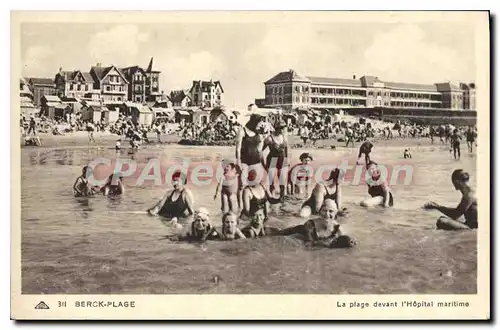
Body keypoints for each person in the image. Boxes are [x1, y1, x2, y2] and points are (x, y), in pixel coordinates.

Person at [280, 199, 356, 248]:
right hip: (295, 231)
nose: (327, 214)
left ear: (335, 214)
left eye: (331, 211)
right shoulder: (310, 225)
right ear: (319, 212)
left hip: (319, 241)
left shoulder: (338, 230)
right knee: (278, 233)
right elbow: (308, 246)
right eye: (324, 210)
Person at [262, 120, 288, 200]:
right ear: (277, 128)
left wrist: (286, 159)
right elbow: (261, 150)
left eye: (284, 128)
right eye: (281, 128)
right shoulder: (269, 138)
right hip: (272, 159)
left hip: (282, 158)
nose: (283, 130)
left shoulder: (284, 136)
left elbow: (286, 148)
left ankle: (282, 198)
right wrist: (263, 162)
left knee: (282, 179)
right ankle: (272, 197)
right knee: (271, 180)